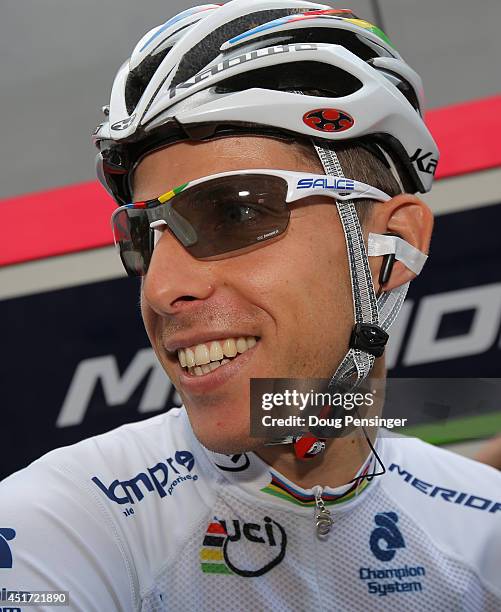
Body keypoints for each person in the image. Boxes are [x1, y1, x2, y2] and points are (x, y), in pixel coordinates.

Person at [2, 2, 501, 610]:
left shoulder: (484, 532)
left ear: (391, 249)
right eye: (141, 236)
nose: (160, 289)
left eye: (234, 213)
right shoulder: (63, 524)